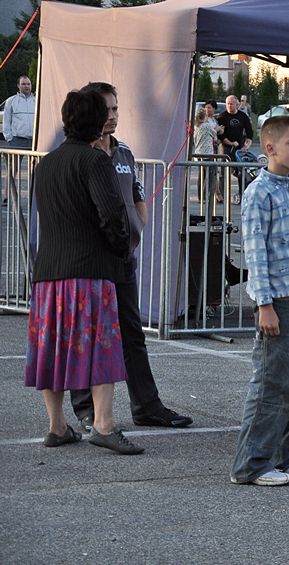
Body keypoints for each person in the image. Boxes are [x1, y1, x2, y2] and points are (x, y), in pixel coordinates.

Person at [25, 89, 143, 455]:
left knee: (51, 349)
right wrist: (122, 247)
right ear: (95, 121)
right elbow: (112, 216)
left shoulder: (46, 163)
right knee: (102, 350)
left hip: (49, 273)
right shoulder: (95, 162)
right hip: (89, 271)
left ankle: (57, 425)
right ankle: (104, 425)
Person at [70, 82, 193, 431]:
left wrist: (138, 221)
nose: (112, 117)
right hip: (92, 260)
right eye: (105, 110)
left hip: (123, 257)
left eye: (115, 109)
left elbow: (138, 193)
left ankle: (147, 405)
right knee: (89, 334)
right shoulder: (82, 155)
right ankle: (85, 409)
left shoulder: (122, 152)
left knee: (131, 333)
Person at [230, 115, 289, 487]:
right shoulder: (259, 193)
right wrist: (264, 304)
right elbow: (256, 253)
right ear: (270, 148)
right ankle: (251, 464)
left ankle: (285, 455)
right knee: (272, 383)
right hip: (277, 303)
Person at [3, 75, 35, 149]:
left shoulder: (37, 101)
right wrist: (9, 138)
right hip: (17, 140)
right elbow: (6, 121)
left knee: (37, 161)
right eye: (23, 84)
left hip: (34, 140)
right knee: (14, 161)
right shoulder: (11, 101)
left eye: (28, 84)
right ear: (18, 85)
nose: (26, 86)